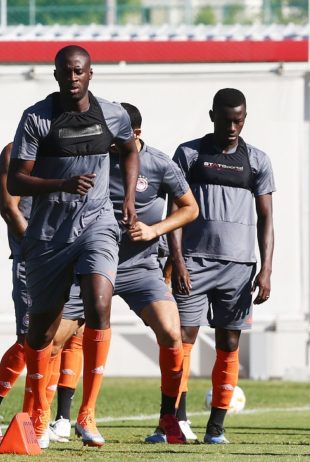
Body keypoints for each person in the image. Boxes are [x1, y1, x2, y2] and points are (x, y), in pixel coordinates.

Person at [7, 45, 139, 448]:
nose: (72, 78)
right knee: (42, 330)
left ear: (90, 73)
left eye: (79, 71)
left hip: (97, 224)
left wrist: (128, 198)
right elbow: (15, 180)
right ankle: (38, 413)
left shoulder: (112, 114)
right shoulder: (37, 118)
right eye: (65, 72)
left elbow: (130, 149)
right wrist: (62, 184)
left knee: (99, 303)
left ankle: (87, 413)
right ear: (56, 75)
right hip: (49, 234)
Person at [168, 88, 275, 444]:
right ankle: (176, 421)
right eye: (226, 120)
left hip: (239, 268)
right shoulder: (189, 154)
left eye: (238, 121)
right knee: (181, 340)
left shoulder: (257, 160)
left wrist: (266, 269)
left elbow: (266, 219)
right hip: (193, 264)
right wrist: (177, 261)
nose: (232, 127)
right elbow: (174, 212)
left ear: (244, 119)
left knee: (228, 343)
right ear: (212, 116)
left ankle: (216, 427)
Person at [0, 143, 84, 442]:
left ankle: (38, 418)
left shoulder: (66, 150)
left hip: (65, 257)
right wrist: (40, 249)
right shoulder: (14, 151)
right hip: (32, 258)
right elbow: (10, 208)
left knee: (55, 342)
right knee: (29, 340)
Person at [109, 103, 199, 444]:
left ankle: (168, 422)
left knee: (172, 333)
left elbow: (190, 208)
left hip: (141, 268)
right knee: (54, 337)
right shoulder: (96, 159)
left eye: (117, 135)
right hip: (96, 266)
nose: (111, 142)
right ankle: (53, 420)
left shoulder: (160, 163)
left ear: (136, 134)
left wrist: (154, 230)